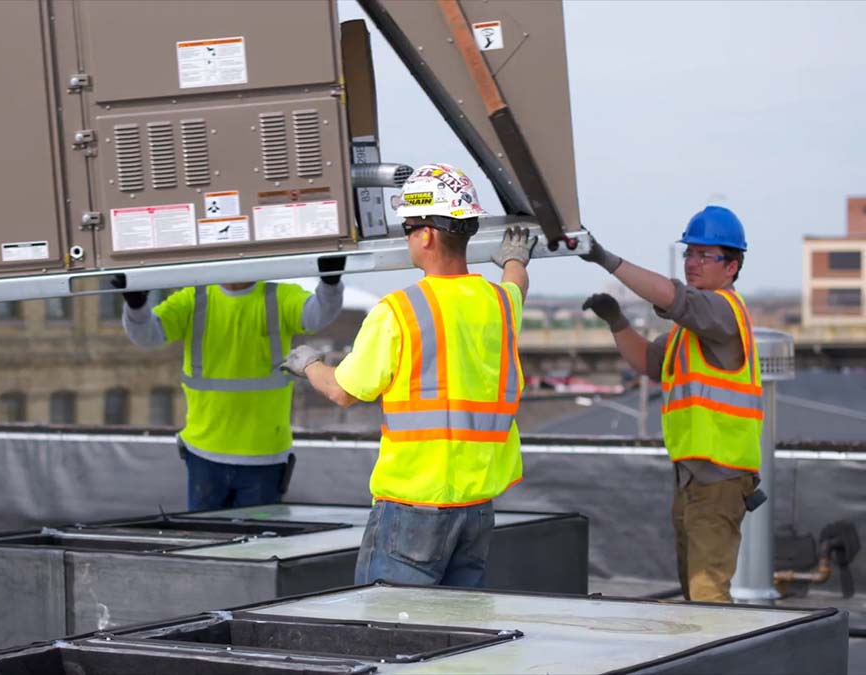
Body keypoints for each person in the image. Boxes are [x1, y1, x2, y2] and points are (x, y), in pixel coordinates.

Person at [281, 163, 534, 587]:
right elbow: (517, 284)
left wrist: (309, 363)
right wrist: (514, 259)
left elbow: (344, 391)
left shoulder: (399, 311)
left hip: (413, 508)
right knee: (455, 635)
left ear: (427, 235)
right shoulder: (500, 304)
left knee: (387, 630)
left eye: (407, 228)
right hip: (477, 509)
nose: (406, 237)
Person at [579, 206, 762, 603]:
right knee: (695, 592)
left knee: (708, 594)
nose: (692, 263)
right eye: (689, 253)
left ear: (732, 267)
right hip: (695, 476)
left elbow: (674, 296)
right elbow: (647, 362)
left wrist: (607, 260)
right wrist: (617, 322)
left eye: (704, 255)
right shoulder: (690, 331)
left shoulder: (722, 311)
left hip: (719, 475)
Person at [120, 260, 344, 511]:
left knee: (259, 547)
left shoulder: (277, 296)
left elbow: (316, 316)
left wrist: (330, 284)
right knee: (208, 546)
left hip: (263, 457)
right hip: (205, 455)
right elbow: (149, 335)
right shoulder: (193, 299)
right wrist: (136, 308)